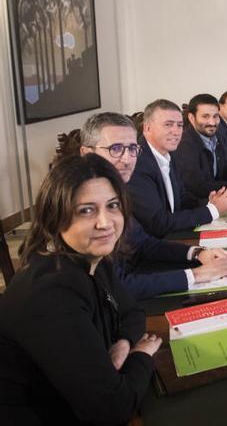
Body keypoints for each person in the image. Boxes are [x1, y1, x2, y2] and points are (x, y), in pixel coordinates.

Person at [0, 154, 162, 424]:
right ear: (55, 216)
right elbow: (113, 409)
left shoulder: (93, 258)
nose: (105, 222)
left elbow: (132, 311)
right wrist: (141, 355)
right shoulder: (49, 295)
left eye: (112, 206)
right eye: (86, 210)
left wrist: (123, 343)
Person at [79, 112, 227, 299]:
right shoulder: (80, 205)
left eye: (131, 149)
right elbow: (115, 286)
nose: (127, 159)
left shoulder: (116, 191)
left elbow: (143, 243)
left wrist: (197, 253)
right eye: (115, 149)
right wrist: (195, 275)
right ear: (87, 153)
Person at [128, 99, 227, 238]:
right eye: (168, 125)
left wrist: (210, 202)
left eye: (179, 125)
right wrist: (212, 210)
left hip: (175, 236)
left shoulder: (169, 153)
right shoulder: (137, 163)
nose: (176, 132)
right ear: (147, 128)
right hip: (155, 247)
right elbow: (158, 223)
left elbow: (182, 198)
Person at [175, 93, 227, 200]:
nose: (212, 122)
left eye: (215, 116)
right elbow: (198, 187)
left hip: (219, 200)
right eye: (205, 116)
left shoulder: (214, 137)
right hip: (201, 207)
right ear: (192, 118)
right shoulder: (185, 145)